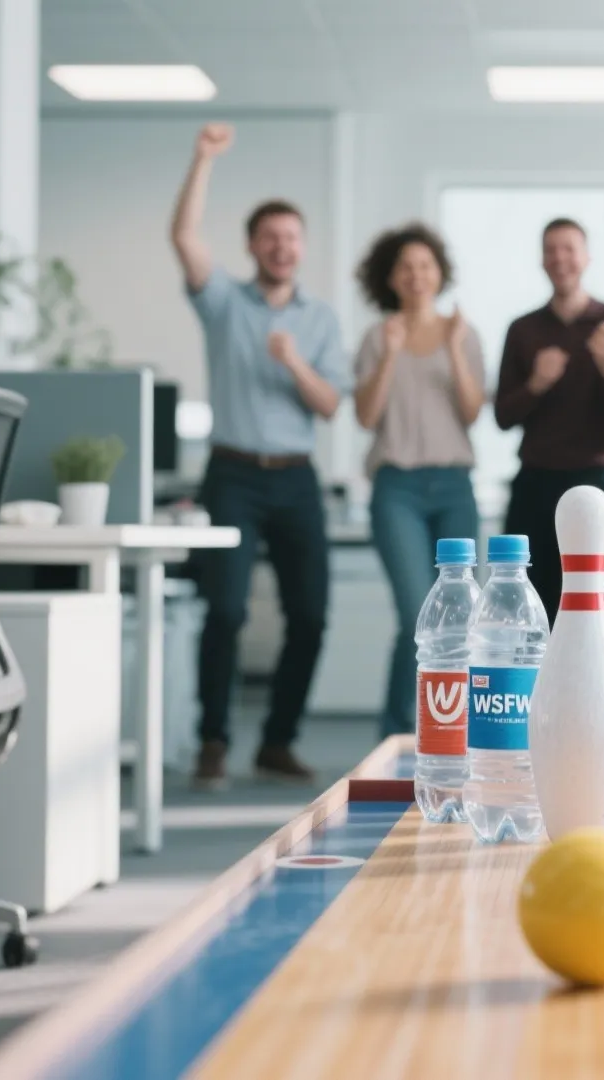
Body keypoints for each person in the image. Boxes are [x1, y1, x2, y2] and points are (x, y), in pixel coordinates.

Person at [171, 123, 349, 787]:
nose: (282, 248)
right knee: (226, 610)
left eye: (292, 238)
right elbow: (185, 239)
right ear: (252, 246)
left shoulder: (321, 320)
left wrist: (295, 363)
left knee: (310, 613)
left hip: (298, 477)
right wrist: (204, 159)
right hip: (234, 475)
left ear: (302, 248)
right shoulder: (225, 305)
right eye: (270, 238)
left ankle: (278, 740)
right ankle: (213, 741)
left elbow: (331, 405)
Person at [352, 223, 485, 740]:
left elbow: (473, 412)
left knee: (458, 620)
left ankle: (454, 733)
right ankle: (399, 735)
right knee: (415, 617)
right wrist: (390, 353)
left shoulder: (463, 333)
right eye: (405, 267)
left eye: (425, 265)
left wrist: (453, 349)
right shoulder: (376, 336)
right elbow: (365, 417)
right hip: (397, 489)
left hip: (454, 488)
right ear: (389, 277)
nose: (416, 275)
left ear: (439, 272)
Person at [494, 218, 604, 616]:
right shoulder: (522, 329)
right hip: (534, 483)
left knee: (592, 607)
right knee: (525, 609)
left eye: (569, 249)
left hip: (595, 482)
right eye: (551, 250)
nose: (560, 258)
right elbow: (503, 417)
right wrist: (536, 384)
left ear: (586, 257)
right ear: (542, 260)